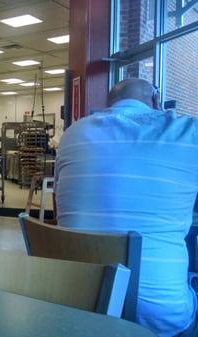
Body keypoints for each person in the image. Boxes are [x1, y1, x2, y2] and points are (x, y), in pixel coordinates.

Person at [55, 78, 198, 337]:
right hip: (159, 318)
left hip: (74, 305)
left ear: (109, 104)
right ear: (156, 100)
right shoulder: (189, 132)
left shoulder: (73, 134)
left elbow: (61, 211)